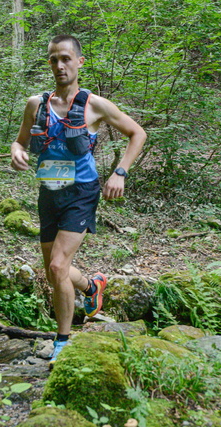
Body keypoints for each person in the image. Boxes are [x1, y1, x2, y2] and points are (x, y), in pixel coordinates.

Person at [10, 35, 147, 368]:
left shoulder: (94, 105)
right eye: (54, 59)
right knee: (53, 271)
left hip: (82, 192)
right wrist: (17, 151)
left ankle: (62, 341)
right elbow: (20, 141)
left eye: (66, 58)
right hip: (49, 192)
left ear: (79, 62)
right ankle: (91, 286)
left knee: (58, 267)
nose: (60, 65)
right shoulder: (36, 104)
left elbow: (138, 133)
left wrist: (120, 172)